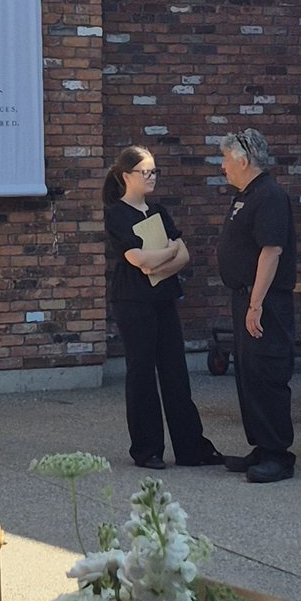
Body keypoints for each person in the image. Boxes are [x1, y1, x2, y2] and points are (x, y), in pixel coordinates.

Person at [103, 145, 229, 473]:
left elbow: (183, 256)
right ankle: (147, 449)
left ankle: (191, 447)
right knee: (142, 373)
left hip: (163, 298)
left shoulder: (158, 212)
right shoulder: (117, 213)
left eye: (154, 171)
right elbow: (137, 260)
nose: (151, 177)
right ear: (125, 175)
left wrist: (162, 260)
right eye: (144, 172)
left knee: (176, 372)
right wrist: (165, 255)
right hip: (133, 302)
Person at [217, 127, 299, 483]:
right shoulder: (246, 195)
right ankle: (262, 446)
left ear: (244, 160)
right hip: (245, 296)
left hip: (264, 300)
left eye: (225, 159)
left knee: (267, 372)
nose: (222, 166)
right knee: (248, 374)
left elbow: (271, 250)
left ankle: (278, 454)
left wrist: (256, 304)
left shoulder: (269, 196)